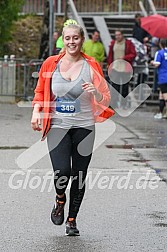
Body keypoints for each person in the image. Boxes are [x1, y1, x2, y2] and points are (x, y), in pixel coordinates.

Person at [31, 21, 114, 236]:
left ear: (81, 40)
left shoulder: (91, 65)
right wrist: (36, 112)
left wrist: (95, 92)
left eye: (75, 38)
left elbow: (105, 97)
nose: (71, 42)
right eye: (67, 38)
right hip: (57, 125)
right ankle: (60, 199)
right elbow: (40, 91)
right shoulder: (51, 64)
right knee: (62, 172)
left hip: (84, 126)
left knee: (79, 175)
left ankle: (72, 219)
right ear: (62, 41)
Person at [107, 29, 136, 108]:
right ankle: (114, 103)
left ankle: (124, 103)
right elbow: (110, 55)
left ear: (122, 35)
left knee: (124, 87)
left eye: (119, 35)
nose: (117, 37)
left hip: (125, 68)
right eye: (116, 35)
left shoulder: (128, 43)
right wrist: (109, 65)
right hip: (115, 67)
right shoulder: (113, 43)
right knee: (114, 86)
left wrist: (124, 57)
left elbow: (133, 54)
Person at [152, 39, 167, 119]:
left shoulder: (160, 52)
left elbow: (157, 64)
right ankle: (160, 112)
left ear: (160, 44)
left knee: (165, 96)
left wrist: (152, 62)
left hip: (163, 77)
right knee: (161, 96)